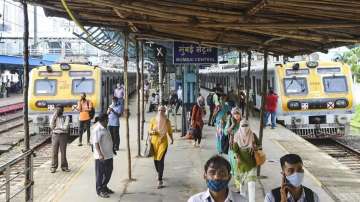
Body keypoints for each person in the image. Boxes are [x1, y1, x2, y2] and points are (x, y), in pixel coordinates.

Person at [231, 120, 259, 202]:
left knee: (251, 185)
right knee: (242, 186)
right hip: (241, 165)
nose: (244, 128)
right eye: (242, 126)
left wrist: (255, 147)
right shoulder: (236, 136)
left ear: (249, 126)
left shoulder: (253, 135)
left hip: (251, 165)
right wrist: (237, 157)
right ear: (240, 126)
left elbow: (259, 146)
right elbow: (235, 150)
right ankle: (242, 199)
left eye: (246, 125)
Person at [148, 106, 174, 188]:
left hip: (163, 142)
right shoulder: (153, 120)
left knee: (160, 159)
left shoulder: (167, 121)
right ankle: (159, 172)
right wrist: (152, 132)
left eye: (162, 110)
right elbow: (149, 130)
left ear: (164, 111)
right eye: (159, 110)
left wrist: (172, 138)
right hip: (154, 142)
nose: (160, 112)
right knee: (156, 160)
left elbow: (169, 130)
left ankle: (160, 180)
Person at [93, 113, 115, 198]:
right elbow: (96, 143)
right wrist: (100, 154)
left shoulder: (106, 127)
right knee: (100, 174)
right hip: (101, 157)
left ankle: (104, 187)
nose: (108, 121)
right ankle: (99, 190)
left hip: (109, 155)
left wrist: (112, 149)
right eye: (107, 120)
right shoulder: (97, 129)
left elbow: (108, 139)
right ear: (103, 120)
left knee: (109, 172)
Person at [50, 105, 70, 173]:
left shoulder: (66, 117)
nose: (58, 111)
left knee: (63, 152)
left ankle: (64, 166)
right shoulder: (54, 117)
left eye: (59, 110)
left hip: (63, 136)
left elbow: (65, 127)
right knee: (54, 152)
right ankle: (53, 167)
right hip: (55, 135)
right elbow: (51, 126)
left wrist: (57, 128)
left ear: (62, 110)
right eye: (57, 110)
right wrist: (54, 116)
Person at [224, 107, 242, 182]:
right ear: (232, 114)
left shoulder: (243, 122)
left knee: (240, 167)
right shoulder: (230, 122)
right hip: (232, 148)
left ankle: (240, 186)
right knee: (234, 167)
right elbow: (225, 132)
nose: (236, 115)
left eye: (238, 113)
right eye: (235, 114)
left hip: (241, 148)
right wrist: (232, 125)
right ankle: (238, 185)